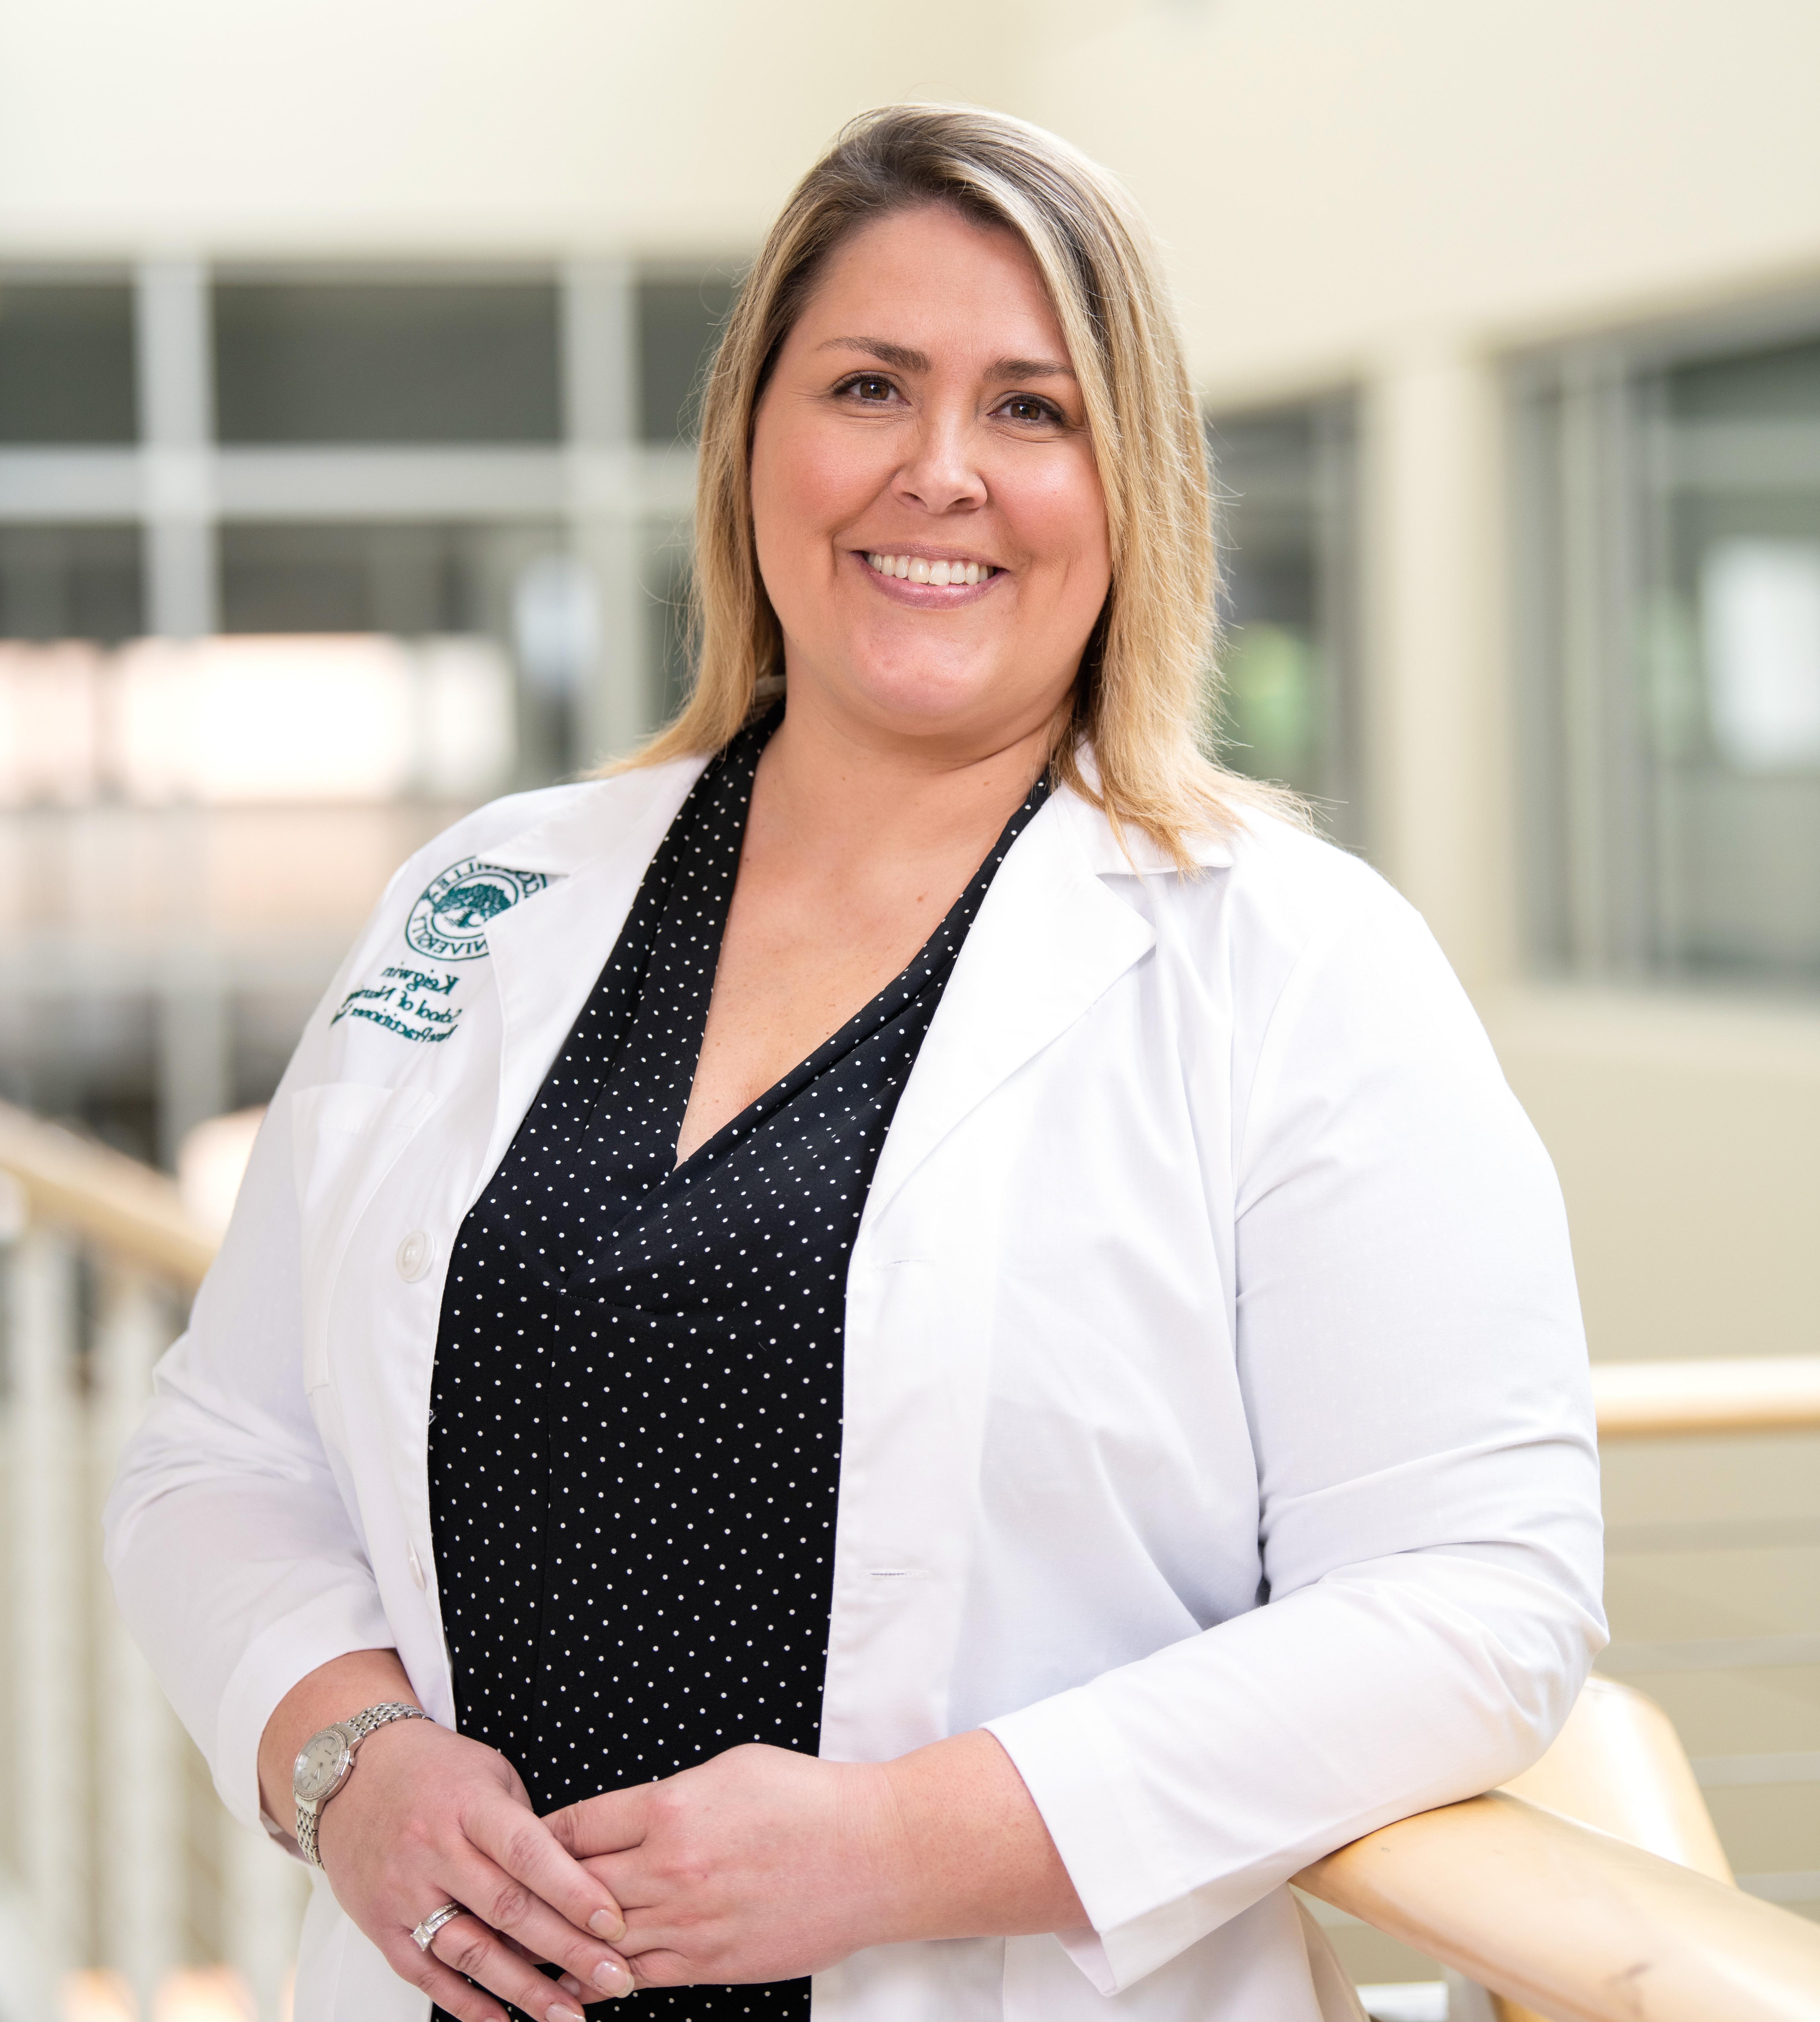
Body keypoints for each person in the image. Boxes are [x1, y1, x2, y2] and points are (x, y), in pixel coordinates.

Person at [105, 103, 1605, 2022]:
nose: (940, 473)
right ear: (751, 444)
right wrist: (347, 1761)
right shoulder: (485, 898)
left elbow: (1480, 1598)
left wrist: (896, 1845)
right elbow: (220, 1453)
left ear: (1130, 482)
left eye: (1031, 411)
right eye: (871, 385)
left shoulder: (1295, 966)